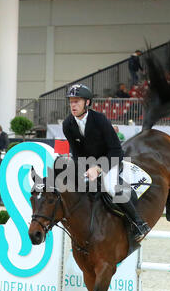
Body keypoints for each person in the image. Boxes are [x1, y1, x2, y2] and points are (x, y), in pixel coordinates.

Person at [62, 83, 150, 242]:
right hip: (88, 163)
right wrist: (81, 169)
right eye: (71, 101)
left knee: (110, 187)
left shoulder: (100, 120)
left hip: (111, 158)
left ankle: (138, 223)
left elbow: (116, 149)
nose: (73, 105)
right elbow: (77, 153)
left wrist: (99, 168)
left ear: (87, 103)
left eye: (77, 101)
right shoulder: (67, 124)